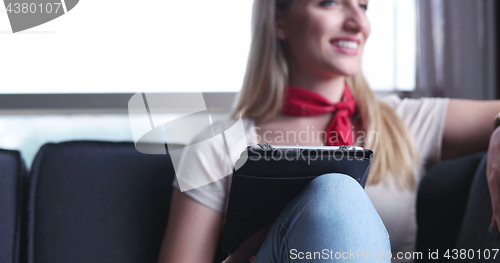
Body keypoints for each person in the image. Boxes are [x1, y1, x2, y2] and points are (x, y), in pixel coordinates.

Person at [157, 0, 500, 262]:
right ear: (279, 20)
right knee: (337, 192)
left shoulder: (402, 121)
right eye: (330, 2)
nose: (358, 22)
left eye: (363, 5)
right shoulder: (217, 148)